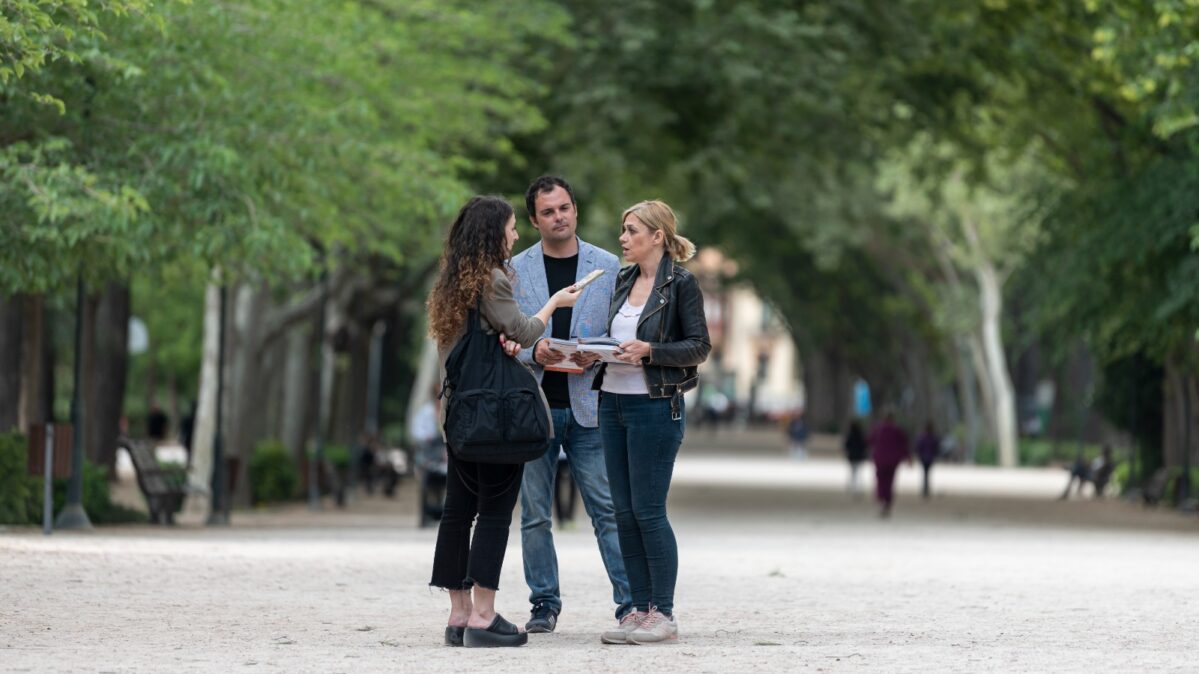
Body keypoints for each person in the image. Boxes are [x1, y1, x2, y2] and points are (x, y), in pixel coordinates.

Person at [426, 195, 582, 648]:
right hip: (496, 417)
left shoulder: (452, 283)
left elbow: (472, 346)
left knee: (457, 511)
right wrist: (553, 303)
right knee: (494, 511)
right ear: (494, 234)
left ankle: (458, 615)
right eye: (512, 228)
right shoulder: (493, 280)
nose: (516, 236)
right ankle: (484, 615)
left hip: (458, 414)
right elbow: (525, 331)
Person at [509, 176, 630, 634]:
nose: (558, 217)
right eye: (548, 212)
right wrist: (530, 351)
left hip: (590, 406)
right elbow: (503, 337)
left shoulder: (607, 264)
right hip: (534, 407)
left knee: (607, 510)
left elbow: (621, 330)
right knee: (535, 514)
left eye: (564, 208)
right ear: (534, 220)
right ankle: (544, 604)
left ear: (575, 210)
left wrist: (594, 350)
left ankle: (630, 604)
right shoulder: (515, 268)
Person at [593, 199, 710, 645]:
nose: (623, 238)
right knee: (622, 512)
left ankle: (663, 612)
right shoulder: (622, 280)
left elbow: (698, 346)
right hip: (612, 404)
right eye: (623, 230)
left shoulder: (681, 284)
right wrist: (595, 350)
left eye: (632, 230)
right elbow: (615, 337)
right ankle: (637, 611)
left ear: (657, 236)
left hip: (655, 406)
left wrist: (650, 352)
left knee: (648, 511)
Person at [869, 412, 911, 518]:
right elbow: (903, 445)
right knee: (889, 482)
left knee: (881, 481)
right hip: (892, 461)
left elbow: (870, 441)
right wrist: (908, 458)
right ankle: (887, 501)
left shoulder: (878, 430)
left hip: (880, 460)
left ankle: (882, 499)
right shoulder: (897, 431)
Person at [915, 421, 940, 499]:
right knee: (927, 473)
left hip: (924, 458)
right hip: (929, 458)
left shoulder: (923, 437)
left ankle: (925, 489)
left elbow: (919, 447)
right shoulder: (933, 437)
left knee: (925, 473)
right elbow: (936, 448)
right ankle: (926, 489)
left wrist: (919, 454)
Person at [844, 420, 868, 497]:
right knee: (858, 472)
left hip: (852, 457)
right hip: (859, 457)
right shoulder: (861, 436)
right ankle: (857, 488)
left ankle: (852, 486)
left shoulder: (850, 435)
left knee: (853, 472)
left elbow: (846, 445)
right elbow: (864, 446)